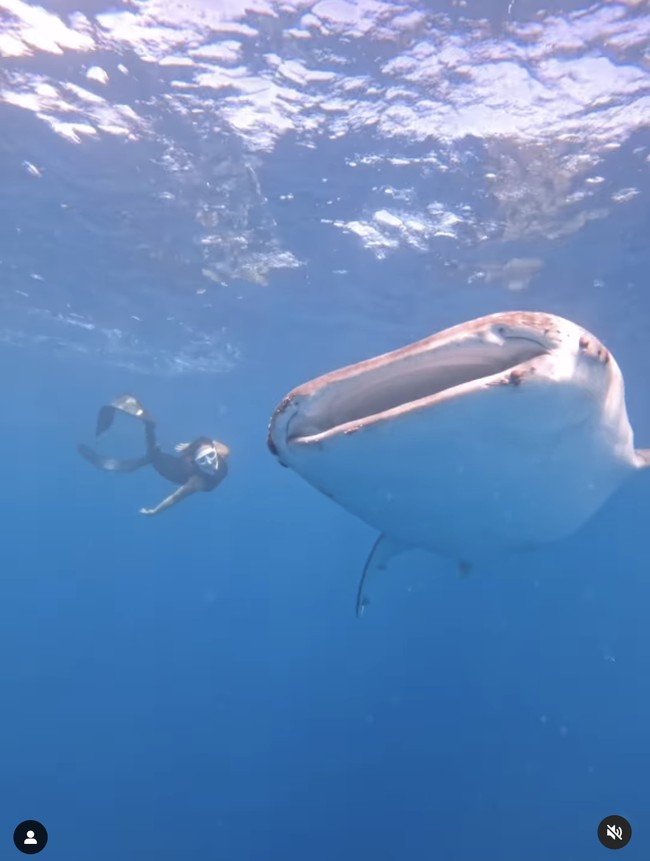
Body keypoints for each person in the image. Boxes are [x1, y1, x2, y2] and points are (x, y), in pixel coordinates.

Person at [77, 394, 229, 516]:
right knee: (154, 455)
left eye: (210, 455)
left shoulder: (223, 452)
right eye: (203, 459)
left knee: (158, 455)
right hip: (172, 470)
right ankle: (149, 426)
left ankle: (153, 443)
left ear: (215, 452)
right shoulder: (197, 482)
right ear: (195, 461)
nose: (209, 462)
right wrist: (155, 511)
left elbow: (214, 443)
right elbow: (175, 498)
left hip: (183, 460)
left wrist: (193, 446)